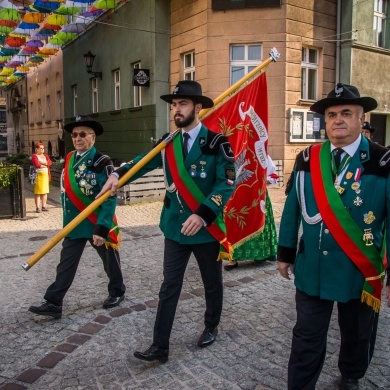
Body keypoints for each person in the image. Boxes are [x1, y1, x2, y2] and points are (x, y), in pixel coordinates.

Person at [98, 80, 236, 362]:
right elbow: (140, 162)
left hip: (206, 228)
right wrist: (116, 174)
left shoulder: (216, 143)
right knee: (169, 286)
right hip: (175, 228)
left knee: (212, 282)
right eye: (174, 105)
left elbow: (226, 184)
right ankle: (160, 346)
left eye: (182, 104)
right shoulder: (168, 142)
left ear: (198, 107)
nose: (176, 110)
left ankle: (211, 325)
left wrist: (203, 213)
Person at [277, 83, 390, 390]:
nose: (338, 120)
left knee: (356, 333)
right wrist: (285, 253)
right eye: (331, 115)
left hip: (359, 271)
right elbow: (292, 211)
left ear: (361, 118)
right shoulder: (307, 159)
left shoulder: (382, 162)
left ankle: (351, 375)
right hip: (312, 267)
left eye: (346, 113)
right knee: (306, 336)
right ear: (324, 122)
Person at [29, 116, 126, 319]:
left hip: (96, 222)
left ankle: (117, 291)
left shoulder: (102, 162)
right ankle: (54, 302)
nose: (77, 138)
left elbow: (109, 198)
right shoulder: (71, 157)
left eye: (83, 134)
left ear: (93, 138)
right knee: (66, 263)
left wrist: (102, 228)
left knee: (109, 261)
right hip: (75, 223)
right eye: (74, 135)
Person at [224, 154, 278, 270]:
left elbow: (270, 174)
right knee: (234, 223)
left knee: (257, 221)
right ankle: (233, 257)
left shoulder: (260, 152)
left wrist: (262, 180)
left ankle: (260, 254)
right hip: (236, 194)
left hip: (256, 194)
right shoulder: (230, 150)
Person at [31, 142, 52, 213]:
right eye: (41, 148)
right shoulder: (34, 156)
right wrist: (45, 164)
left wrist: (42, 164)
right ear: (37, 149)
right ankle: (37, 207)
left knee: (45, 192)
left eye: (43, 148)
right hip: (38, 175)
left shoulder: (45, 155)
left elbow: (50, 163)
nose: (42, 150)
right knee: (38, 192)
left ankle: (44, 206)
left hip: (45, 175)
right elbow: (37, 165)